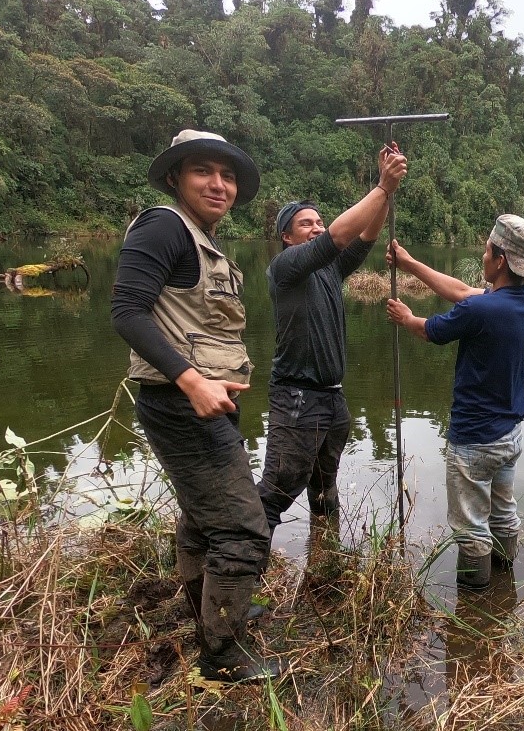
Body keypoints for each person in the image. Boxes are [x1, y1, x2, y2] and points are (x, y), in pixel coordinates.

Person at [111, 129, 278, 683]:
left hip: (206, 401)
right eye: (204, 171)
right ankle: (222, 653)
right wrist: (191, 382)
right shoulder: (164, 227)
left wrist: (209, 387)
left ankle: (208, 613)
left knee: (204, 517)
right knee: (244, 527)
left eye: (227, 176)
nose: (219, 184)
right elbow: (128, 311)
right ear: (175, 178)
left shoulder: (202, 241)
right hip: (183, 402)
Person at [257, 144, 408, 539]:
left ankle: (325, 560)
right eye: (306, 224)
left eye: (320, 221)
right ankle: (236, 579)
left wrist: (388, 194)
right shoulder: (286, 267)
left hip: (331, 397)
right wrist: (380, 185)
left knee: (325, 484)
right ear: (288, 237)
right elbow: (339, 237)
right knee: (276, 490)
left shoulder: (329, 269)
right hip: (297, 398)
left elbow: (364, 236)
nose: (318, 227)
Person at [385, 215, 524, 587]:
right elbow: (461, 292)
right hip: (509, 437)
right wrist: (409, 263)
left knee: (472, 526)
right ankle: (503, 588)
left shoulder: (482, 310)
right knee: (503, 512)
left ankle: (474, 599)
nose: (483, 255)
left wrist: (407, 317)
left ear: (501, 260)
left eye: (487, 250)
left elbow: (430, 331)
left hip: (473, 440)